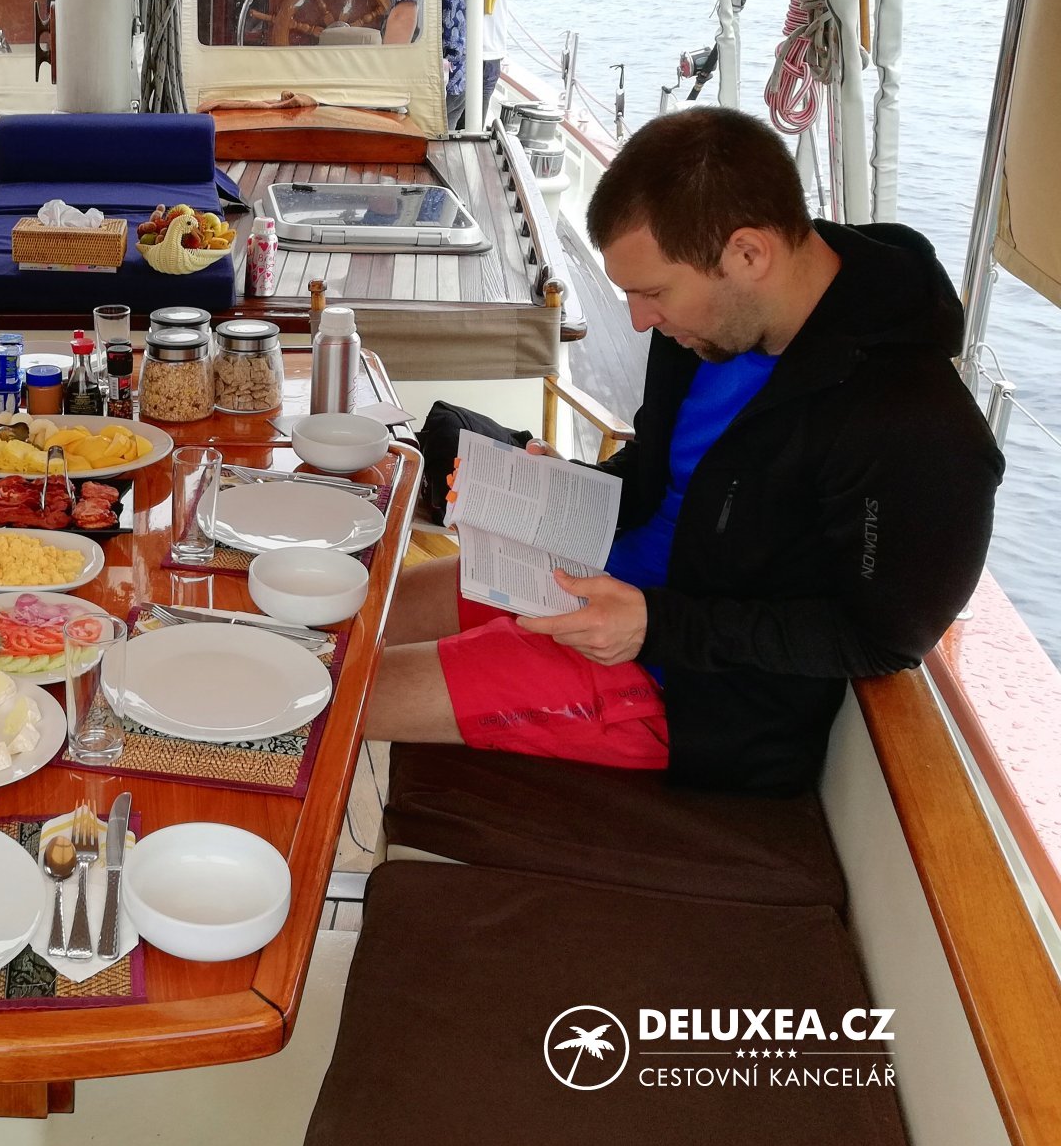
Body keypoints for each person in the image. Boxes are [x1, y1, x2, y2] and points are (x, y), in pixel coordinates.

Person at [367, 107, 1003, 794]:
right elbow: (663, 473)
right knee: (358, 609)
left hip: (686, 687)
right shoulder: (705, 331)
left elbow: (881, 638)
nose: (639, 321)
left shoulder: (918, 427)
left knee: (335, 695)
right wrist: (565, 487)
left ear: (749, 255)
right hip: (592, 577)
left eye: (653, 293)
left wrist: (656, 628)